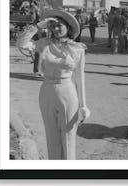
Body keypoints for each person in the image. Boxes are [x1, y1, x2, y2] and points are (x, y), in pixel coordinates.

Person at [16, 9, 91, 160]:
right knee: (51, 137)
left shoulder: (77, 49)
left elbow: (79, 77)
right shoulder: (43, 44)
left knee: (68, 137)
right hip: (46, 92)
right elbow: (21, 43)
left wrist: (83, 105)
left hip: (67, 93)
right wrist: (37, 26)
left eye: (59, 25)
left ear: (68, 27)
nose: (56, 29)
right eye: (52, 26)